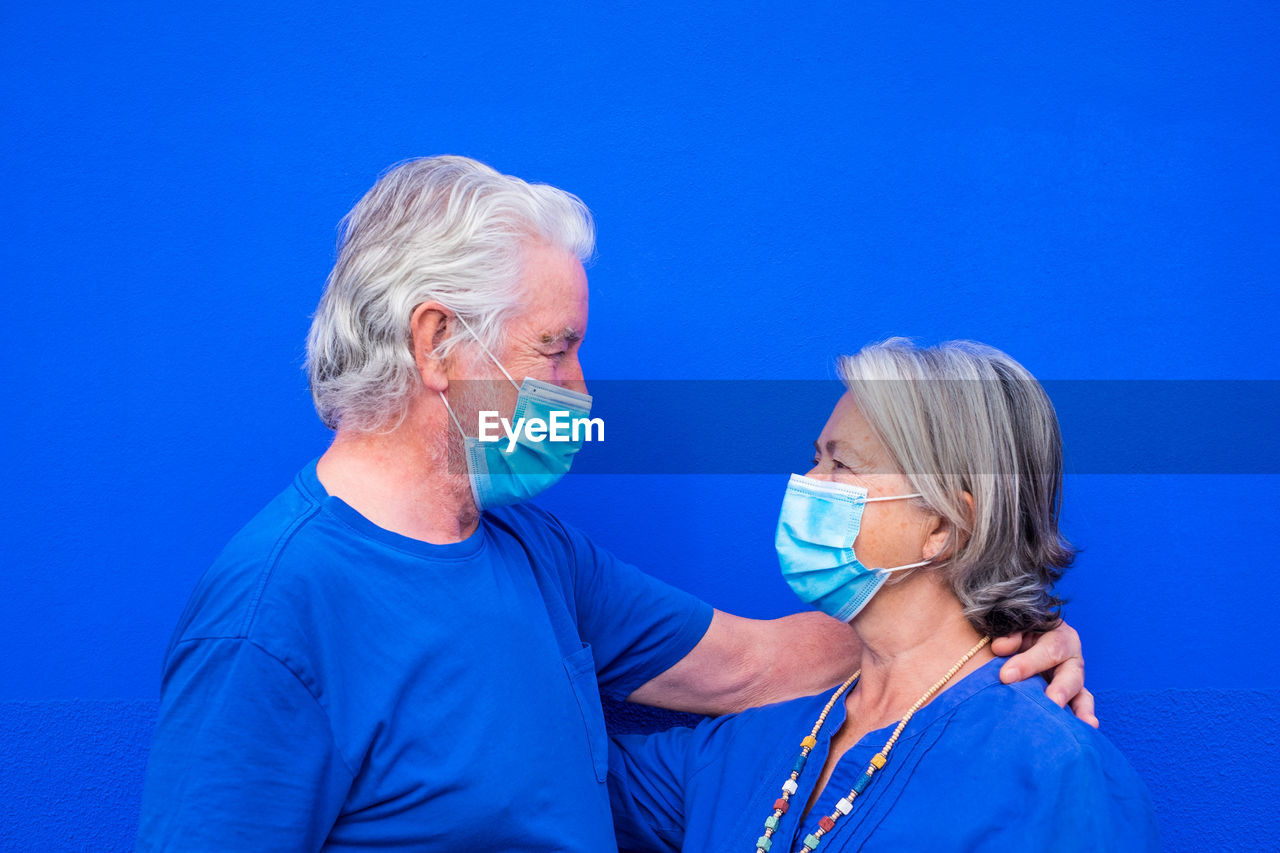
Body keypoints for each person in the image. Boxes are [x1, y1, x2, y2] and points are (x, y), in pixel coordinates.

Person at [135, 158, 1093, 851]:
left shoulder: (535, 553)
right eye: (556, 348)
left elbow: (750, 666)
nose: (581, 392)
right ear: (436, 344)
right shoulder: (272, 618)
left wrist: (982, 641)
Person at [609, 339, 1159, 852]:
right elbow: (554, 771)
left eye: (840, 464)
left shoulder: (1052, 773)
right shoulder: (750, 746)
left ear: (945, 524)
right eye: (816, 458)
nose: (807, 482)